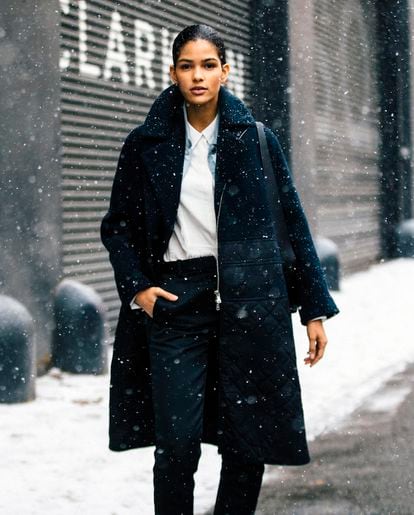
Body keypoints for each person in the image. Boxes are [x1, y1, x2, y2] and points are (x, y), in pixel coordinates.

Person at [101, 23, 339, 515]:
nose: (198, 76)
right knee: (177, 445)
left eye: (208, 65)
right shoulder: (145, 144)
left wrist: (312, 309)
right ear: (172, 72)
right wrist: (139, 288)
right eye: (187, 65)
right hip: (174, 305)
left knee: (245, 444)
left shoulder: (256, 140)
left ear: (226, 72)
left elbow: (291, 224)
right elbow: (117, 226)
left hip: (249, 304)